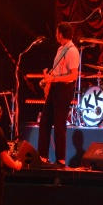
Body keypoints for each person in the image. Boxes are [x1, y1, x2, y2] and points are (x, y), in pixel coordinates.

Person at [37, 23, 80, 167]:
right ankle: (42, 157)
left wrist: (54, 78)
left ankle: (60, 160)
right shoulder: (61, 49)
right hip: (55, 87)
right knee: (45, 122)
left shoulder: (72, 51)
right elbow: (58, 71)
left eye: (57, 32)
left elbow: (73, 76)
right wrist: (48, 79)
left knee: (59, 124)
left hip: (64, 89)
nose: (56, 35)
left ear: (60, 34)